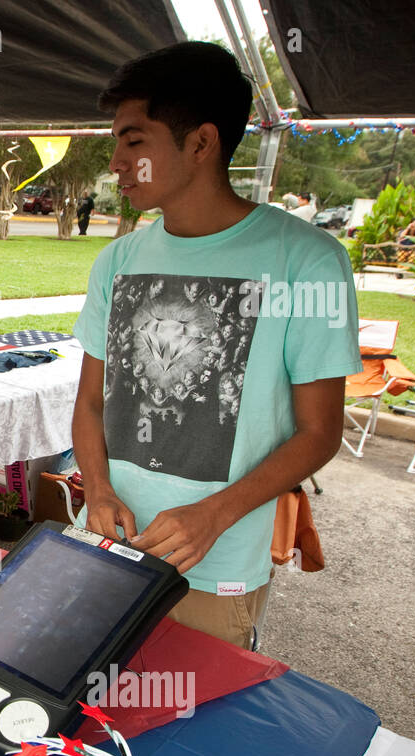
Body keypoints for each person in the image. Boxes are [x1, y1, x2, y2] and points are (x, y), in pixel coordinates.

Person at [71, 42, 359, 649]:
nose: (117, 161)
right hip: (104, 543)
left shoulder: (307, 261)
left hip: (213, 568)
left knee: (188, 728)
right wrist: (96, 489)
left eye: (134, 140)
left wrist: (214, 516)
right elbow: (93, 403)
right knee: (82, 715)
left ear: (201, 143)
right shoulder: (117, 260)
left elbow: (319, 433)